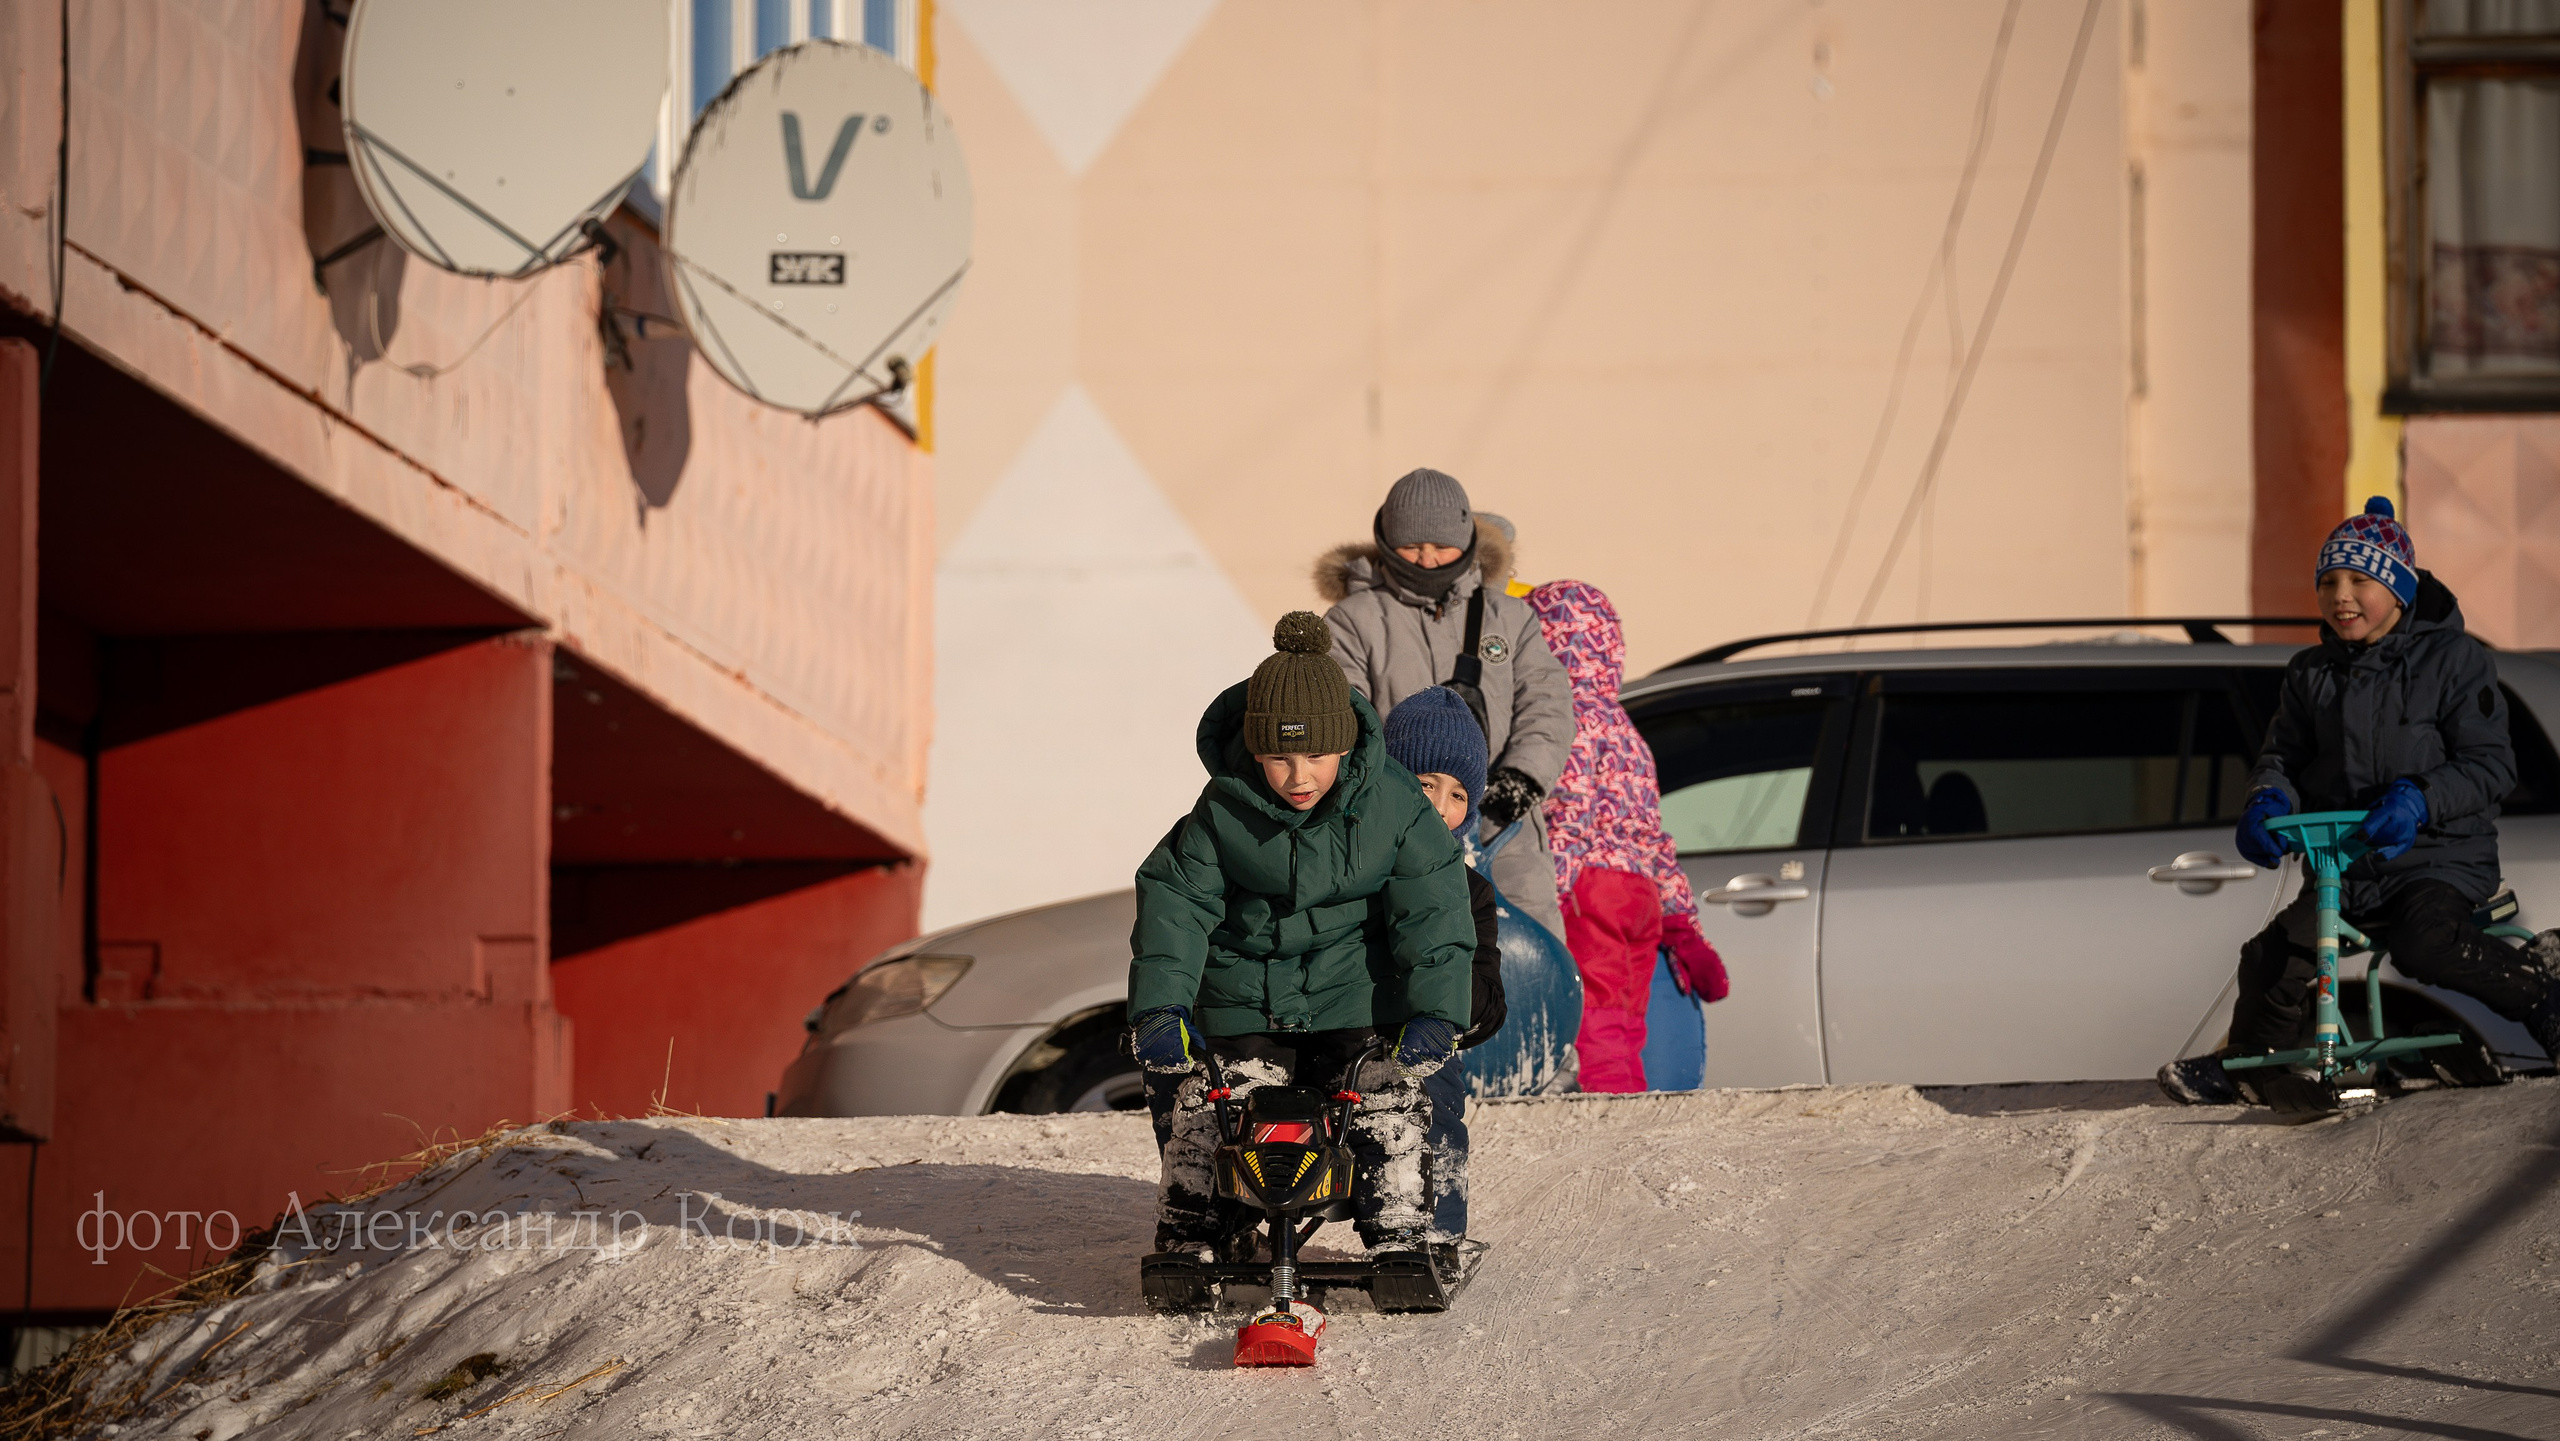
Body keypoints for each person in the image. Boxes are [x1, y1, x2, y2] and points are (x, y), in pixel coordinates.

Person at [2158, 498, 2560, 1105]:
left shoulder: (2454, 662)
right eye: (2327, 582)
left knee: (2425, 941)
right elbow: (2283, 759)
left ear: (2397, 590)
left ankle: (2540, 990)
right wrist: (2267, 801)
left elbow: (2490, 764)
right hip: (2345, 864)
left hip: (2437, 855)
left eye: (2359, 581)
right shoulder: (2310, 674)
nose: (2340, 595)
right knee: (2274, 955)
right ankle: (2253, 1066)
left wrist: (2419, 800)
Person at [1129, 612, 1477, 1264]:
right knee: (1209, 1103)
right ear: (1253, 749)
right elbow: (1175, 904)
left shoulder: (1395, 805)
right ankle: (1197, 1230)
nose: (1297, 776)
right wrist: (1161, 1006)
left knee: (1390, 1099)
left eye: (1315, 755)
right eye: (1278, 756)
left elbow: (1432, 912)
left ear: (1344, 746)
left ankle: (1405, 1232)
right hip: (1244, 1005)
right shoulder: (1221, 809)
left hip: (1355, 1006)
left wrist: (1434, 1010)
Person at [1316, 468, 1576, 941]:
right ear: (1387, 542)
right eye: (1413, 546)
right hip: (1398, 828)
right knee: (1417, 959)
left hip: (1505, 829)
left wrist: (1523, 777)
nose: (1429, 559)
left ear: (1467, 540)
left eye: (1441, 545)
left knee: (1530, 965)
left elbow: (1547, 702)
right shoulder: (1352, 622)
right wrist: (1391, 793)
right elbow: (1343, 716)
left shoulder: (1510, 617)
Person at [1526, 579, 1730, 1094]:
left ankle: (1603, 1115)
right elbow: (1654, 837)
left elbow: (1569, 811)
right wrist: (1680, 919)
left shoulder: (1563, 720)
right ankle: (1629, 1105)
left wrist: (1545, 899)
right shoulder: (1627, 729)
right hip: (1638, 897)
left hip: (1589, 890)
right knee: (1624, 1018)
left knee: (1592, 1020)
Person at [1380, 686, 1508, 1253]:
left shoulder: (1472, 892)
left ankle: (1433, 1229)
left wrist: (1454, 1006)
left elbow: (1486, 999)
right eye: (1425, 783)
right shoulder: (1354, 869)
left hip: (1414, 1036)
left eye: (1457, 795)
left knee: (1432, 1087)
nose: (1439, 805)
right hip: (1335, 1025)